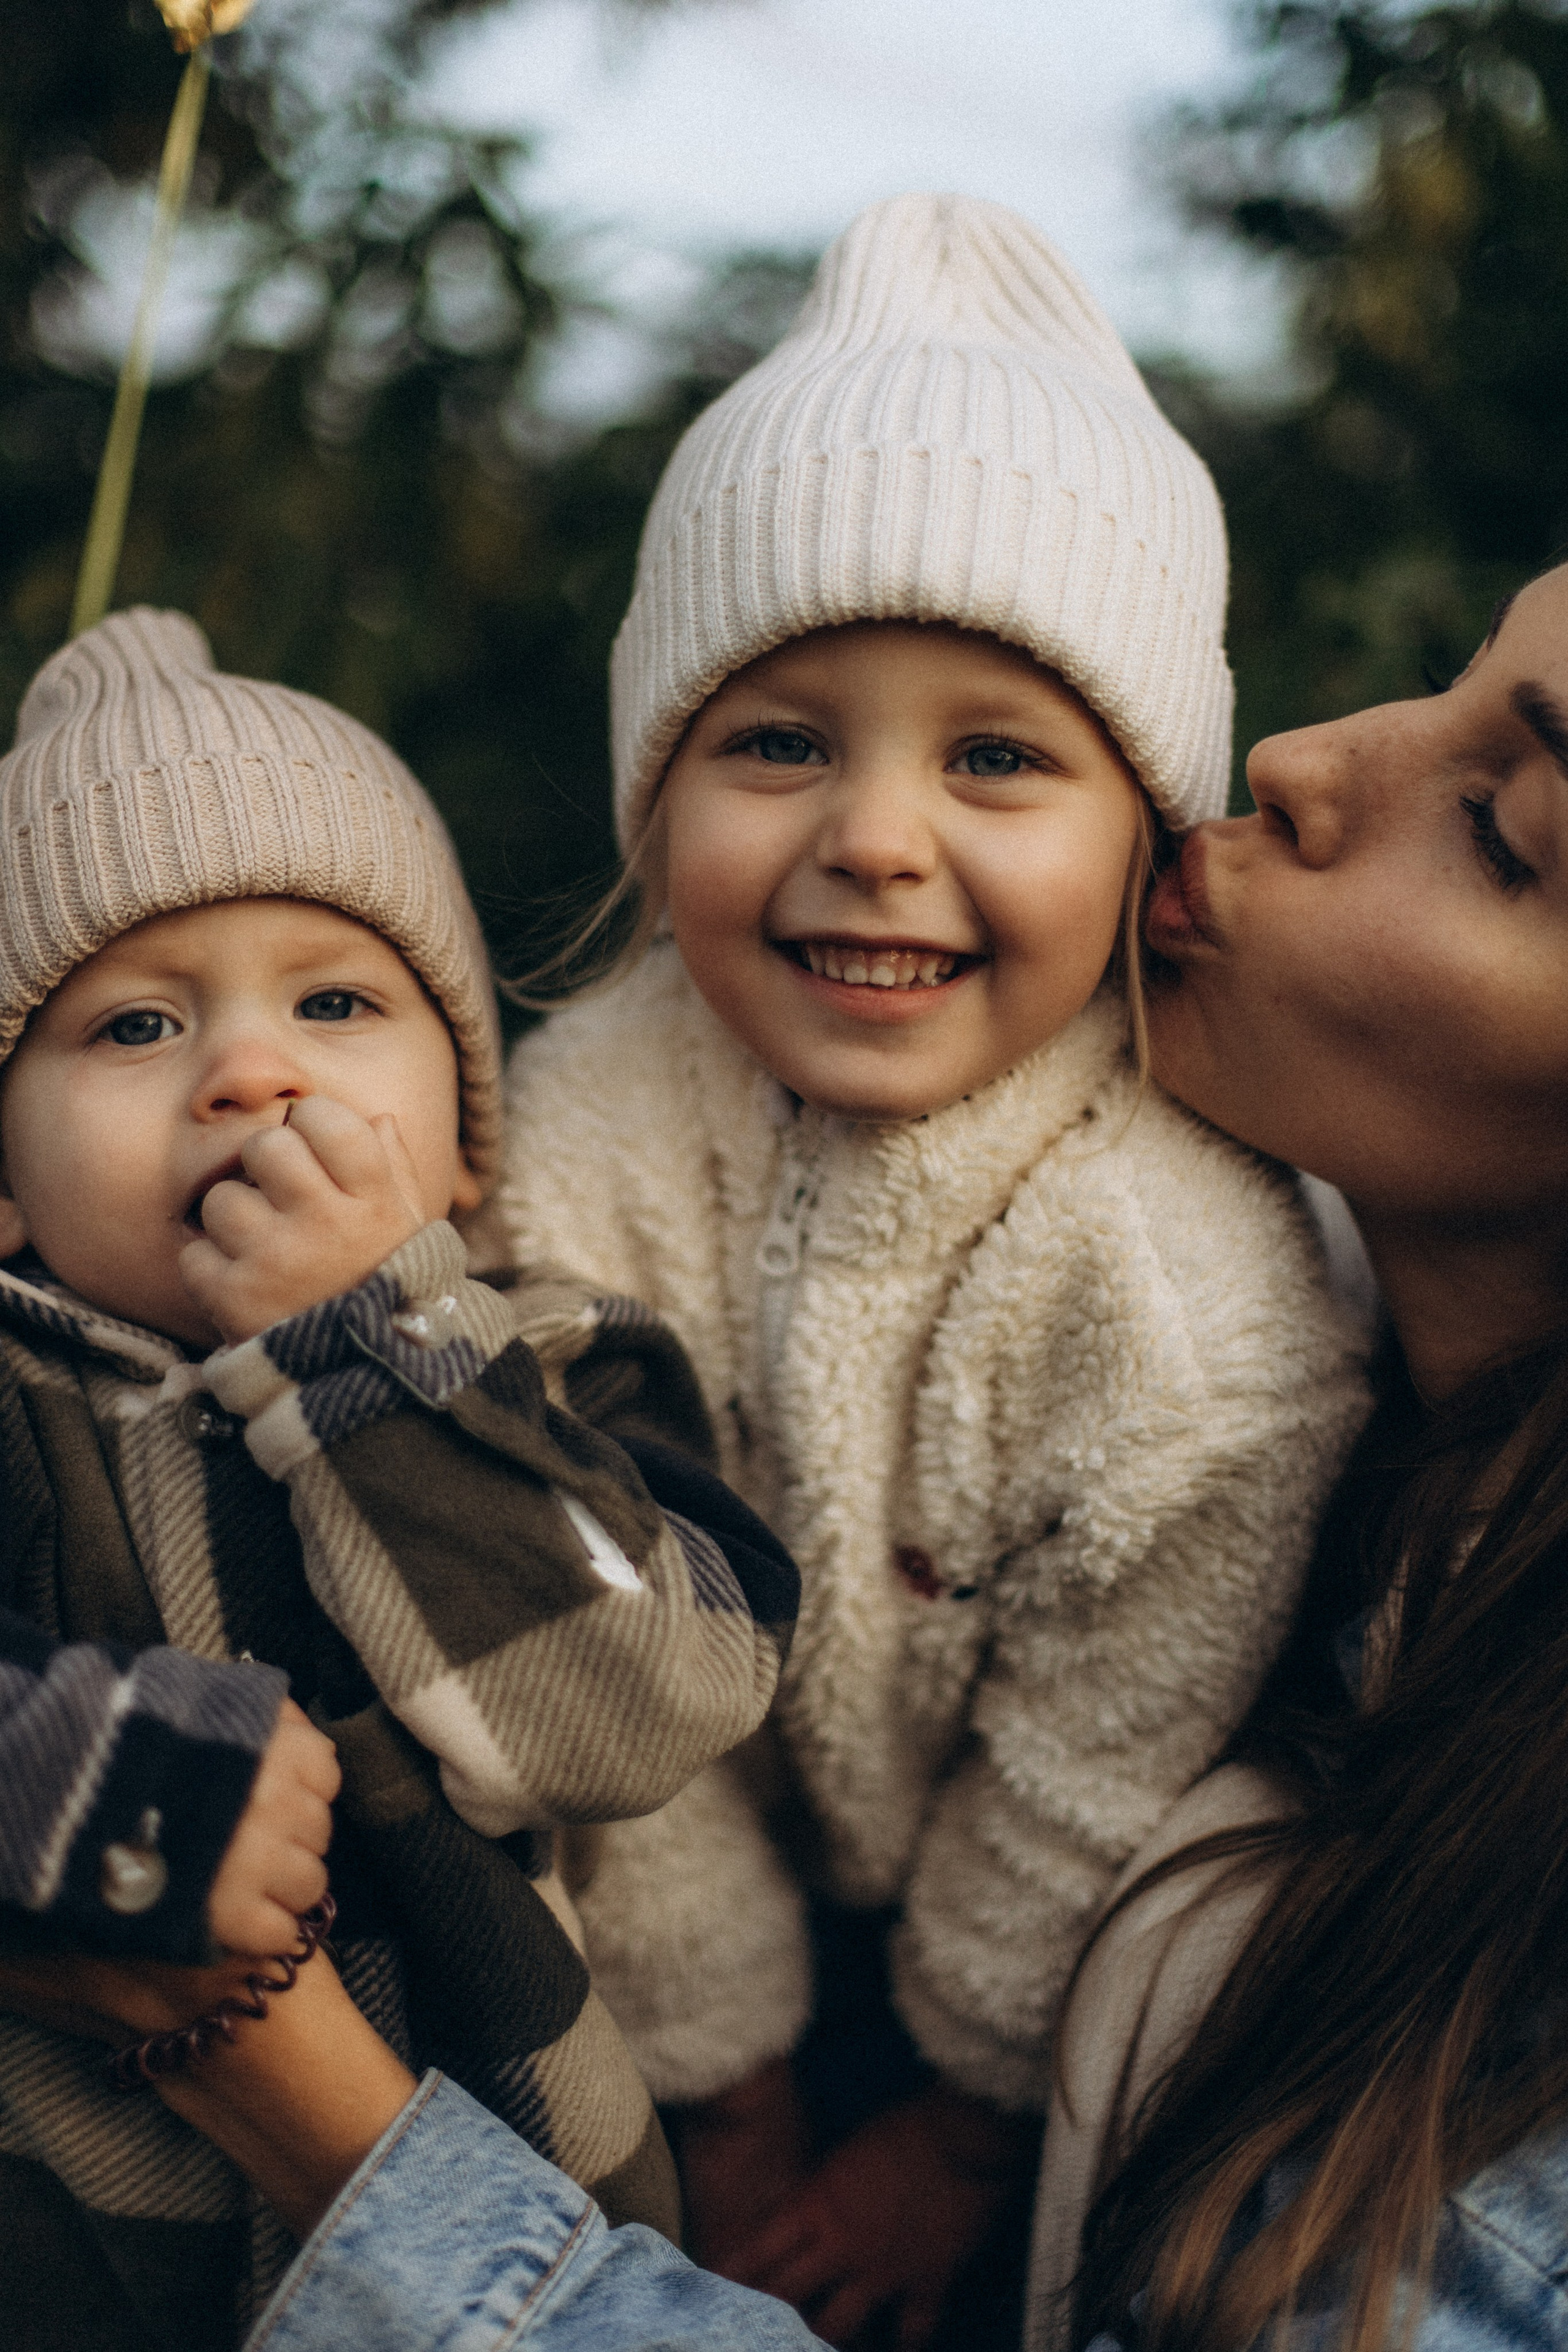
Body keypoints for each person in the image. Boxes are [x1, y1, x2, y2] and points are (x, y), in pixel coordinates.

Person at [23, 556, 1568, 2352]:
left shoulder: (1194, 1338)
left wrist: (254, 2056)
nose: (1292, 753)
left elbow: (634, 1686)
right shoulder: (1399, 1522)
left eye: (1507, 831)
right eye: (130, 1021)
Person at [497, 190, 1369, 2342]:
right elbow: (567, 1608)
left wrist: (966, 2129)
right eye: (777, 739)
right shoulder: (580, 1131)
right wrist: (731, 2072)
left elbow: (1102, 1765)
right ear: (655, 784)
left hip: (1021, 1993)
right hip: (650, 1907)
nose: (876, 834)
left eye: (997, 756)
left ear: (1148, 831)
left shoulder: (1184, 1286)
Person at [0, 608, 799, 2350]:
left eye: (339, 1001)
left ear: (455, 1142)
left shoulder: (552, 1370)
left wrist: (370, 1347)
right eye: (134, 1027)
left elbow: (633, 1713)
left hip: (507, 2238)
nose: (251, 1070)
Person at [1023, 558, 1568, 2350]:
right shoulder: (1251, 1432)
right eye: (1448, 678)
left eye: (1499, 828)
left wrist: (317, 2113)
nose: (1302, 758)